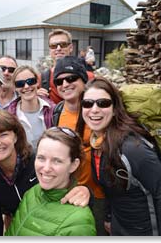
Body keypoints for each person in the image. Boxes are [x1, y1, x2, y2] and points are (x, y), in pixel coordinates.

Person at [79, 77, 161, 235]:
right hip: (120, 228)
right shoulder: (98, 143)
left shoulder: (133, 149)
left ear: (115, 108)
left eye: (103, 103)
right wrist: (109, 217)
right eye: (88, 103)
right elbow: (109, 188)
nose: (94, 109)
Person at [0, 110, 92, 235]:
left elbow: (65, 185)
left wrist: (86, 191)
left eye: (3, 135)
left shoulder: (37, 163)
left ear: (16, 136)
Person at [5, 126, 96, 236]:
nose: (46, 168)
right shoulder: (32, 192)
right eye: (41, 158)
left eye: (57, 161)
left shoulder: (78, 221)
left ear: (73, 165)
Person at [53, 55, 107, 235]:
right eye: (59, 81)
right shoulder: (57, 112)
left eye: (70, 78)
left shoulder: (98, 110)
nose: (65, 84)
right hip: (69, 193)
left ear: (84, 80)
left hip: (100, 195)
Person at [39, 29, 95, 104]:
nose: (58, 48)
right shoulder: (42, 79)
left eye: (63, 44)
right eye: (53, 46)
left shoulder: (89, 77)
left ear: (71, 47)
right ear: (50, 50)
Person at [8, 65, 55, 150]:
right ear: (15, 88)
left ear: (37, 82)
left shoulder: (53, 110)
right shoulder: (9, 116)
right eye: (20, 84)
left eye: (30, 81)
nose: (26, 86)